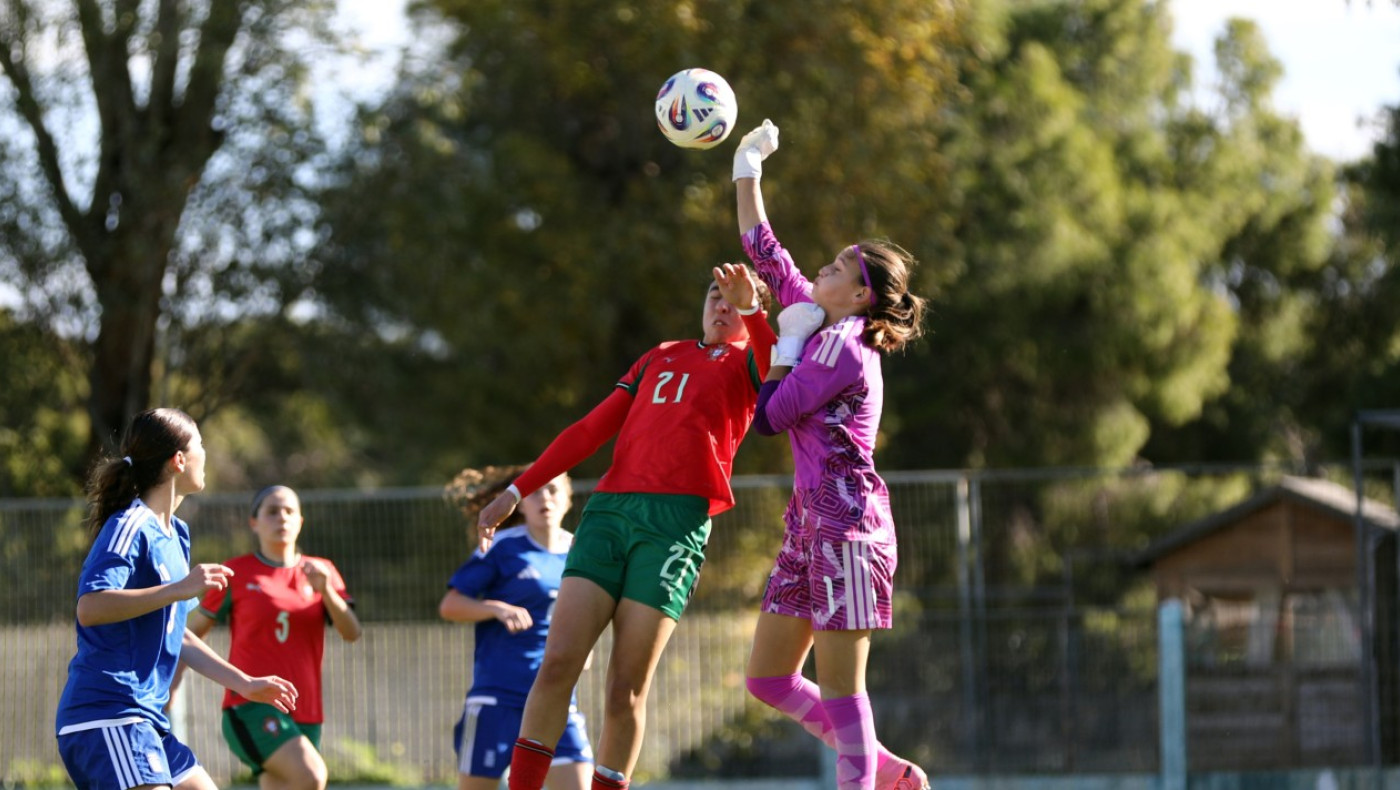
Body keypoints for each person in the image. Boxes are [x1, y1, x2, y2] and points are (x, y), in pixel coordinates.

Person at [474, 270, 777, 790]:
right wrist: (516, 490)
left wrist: (754, 310)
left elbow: (777, 371)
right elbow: (590, 429)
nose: (721, 304)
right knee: (559, 663)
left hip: (674, 529)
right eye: (714, 294)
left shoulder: (751, 359)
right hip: (609, 515)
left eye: (734, 298)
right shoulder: (659, 355)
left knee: (625, 690)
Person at [732, 120, 932, 790]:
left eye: (840, 268)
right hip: (807, 526)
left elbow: (770, 417)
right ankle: (884, 770)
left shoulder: (843, 344)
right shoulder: (818, 316)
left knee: (845, 692)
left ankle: (864, 782)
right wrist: (747, 168)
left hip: (849, 529)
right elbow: (765, 253)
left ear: (861, 296)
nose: (824, 267)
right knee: (767, 678)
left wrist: (782, 348)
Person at [55, 407, 299, 790]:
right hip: (109, 714)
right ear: (179, 460)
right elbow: (90, 607)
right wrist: (179, 589)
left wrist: (244, 683)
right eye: (200, 443)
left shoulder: (177, 535)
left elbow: (178, 633)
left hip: (147, 720)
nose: (206, 451)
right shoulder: (129, 525)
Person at [182, 485, 362, 790]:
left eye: (290, 511)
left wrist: (327, 591)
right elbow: (184, 635)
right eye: (272, 511)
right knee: (312, 775)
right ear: (254, 522)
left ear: (301, 521)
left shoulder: (323, 571)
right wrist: (169, 685)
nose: (282, 518)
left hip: (305, 709)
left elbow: (352, 632)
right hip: (252, 704)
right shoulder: (236, 572)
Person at [440, 466, 592, 790]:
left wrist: (583, 647)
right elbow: (450, 605)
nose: (544, 498)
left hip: (556, 697)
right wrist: (494, 608)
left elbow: (589, 614)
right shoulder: (501, 547)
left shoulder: (581, 553)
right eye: (535, 491)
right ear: (520, 503)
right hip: (498, 697)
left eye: (553, 490)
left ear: (568, 499)